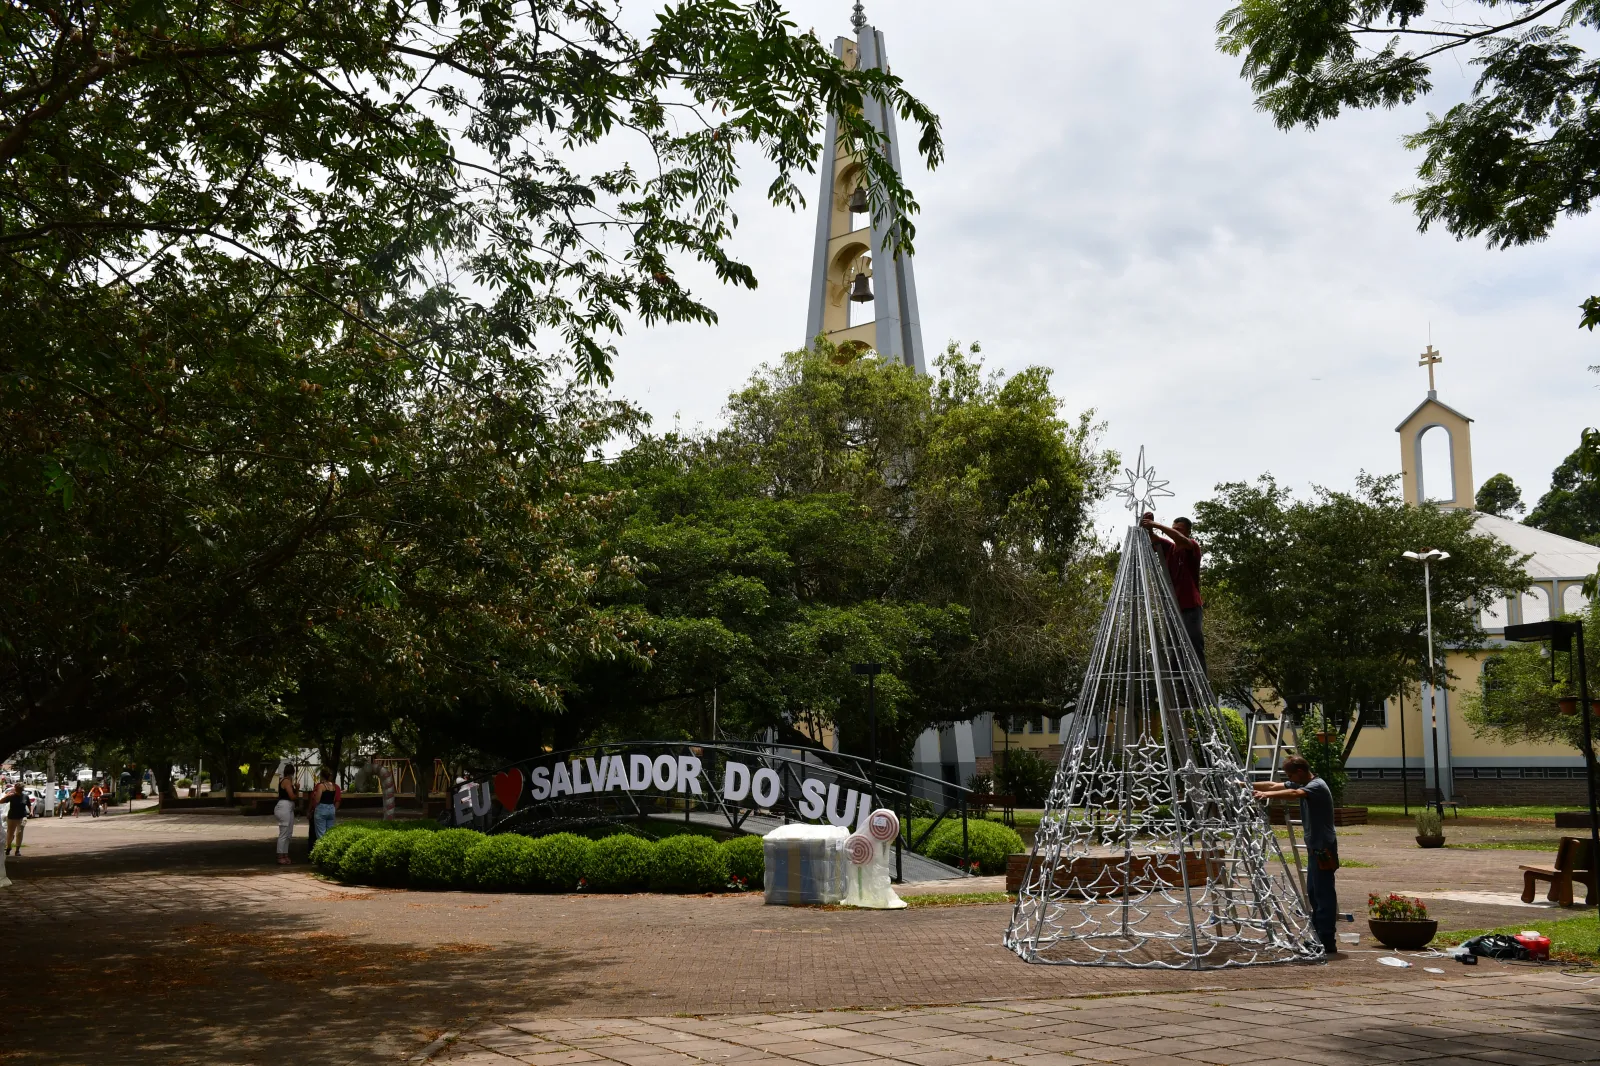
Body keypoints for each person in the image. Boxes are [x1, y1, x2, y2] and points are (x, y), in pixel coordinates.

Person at [1253, 754, 1339, 954]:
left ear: (1300, 772)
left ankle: (1327, 940)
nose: (1289, 778)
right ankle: (1319, 938)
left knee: (1323, 893)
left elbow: (1293, 794)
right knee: (1314, 893)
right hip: (1314, 847)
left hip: (1323, 848)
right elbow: (1275, 785)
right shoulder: (1303, 781)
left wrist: (1267, 797)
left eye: (1291, 774)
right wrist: (1246, 785)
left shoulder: (1316, 786)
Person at [1141, 512, 1205, 670]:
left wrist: (1155, 525)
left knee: (1193, 645)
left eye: (1180, 529)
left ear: (1188, 532)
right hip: (1172, 607)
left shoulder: (1192, 546)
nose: (1176, 531)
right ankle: (1179, 688)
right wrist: (1148, 526)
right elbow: (1152, 539)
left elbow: (1180, 540)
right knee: (1174, 648)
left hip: (1190, 606)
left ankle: (1199, 685)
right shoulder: (1169, 548)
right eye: (1174, 528)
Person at [308, 769, 340, 847]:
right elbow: (334, 799)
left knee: (320, 834)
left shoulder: (321, 786)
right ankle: (328, 850)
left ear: (322, 776)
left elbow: (317, 800)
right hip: (331, 809)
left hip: (321, 809)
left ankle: (321, 851)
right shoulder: (333, 786)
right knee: (329, 832)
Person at [274, 766, 298, 865]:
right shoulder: (287, 781)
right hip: (284, 806)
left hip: (288, 807)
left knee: (288, 833)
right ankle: (280, 855)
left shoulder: (287, 781)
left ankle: (285, 854)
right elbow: (292, 796)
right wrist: (297, 789)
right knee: (284, 832)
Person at [4, 781, 27, 856]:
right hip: (11, 817)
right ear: (15, 789)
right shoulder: (12, 796)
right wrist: (6, 795)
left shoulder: (25, 796)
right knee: (10, 833)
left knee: (19, 833)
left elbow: (29, 805)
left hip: (22, 817)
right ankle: (8, 847)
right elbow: (1, 801)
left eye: (20, 788)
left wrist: (31, 811)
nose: (19, 790)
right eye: (17, 788)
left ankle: (17, 850)